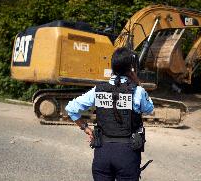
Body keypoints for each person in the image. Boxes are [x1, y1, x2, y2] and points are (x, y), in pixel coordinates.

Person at [65, 47, 154, 181]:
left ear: (112, 66)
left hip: (102, 154)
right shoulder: (137, 91)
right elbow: (149, 109)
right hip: (127, 155)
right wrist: (137, 82)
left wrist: (85, 128)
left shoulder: (98, 90)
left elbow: (71, 108)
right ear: (131, 68)